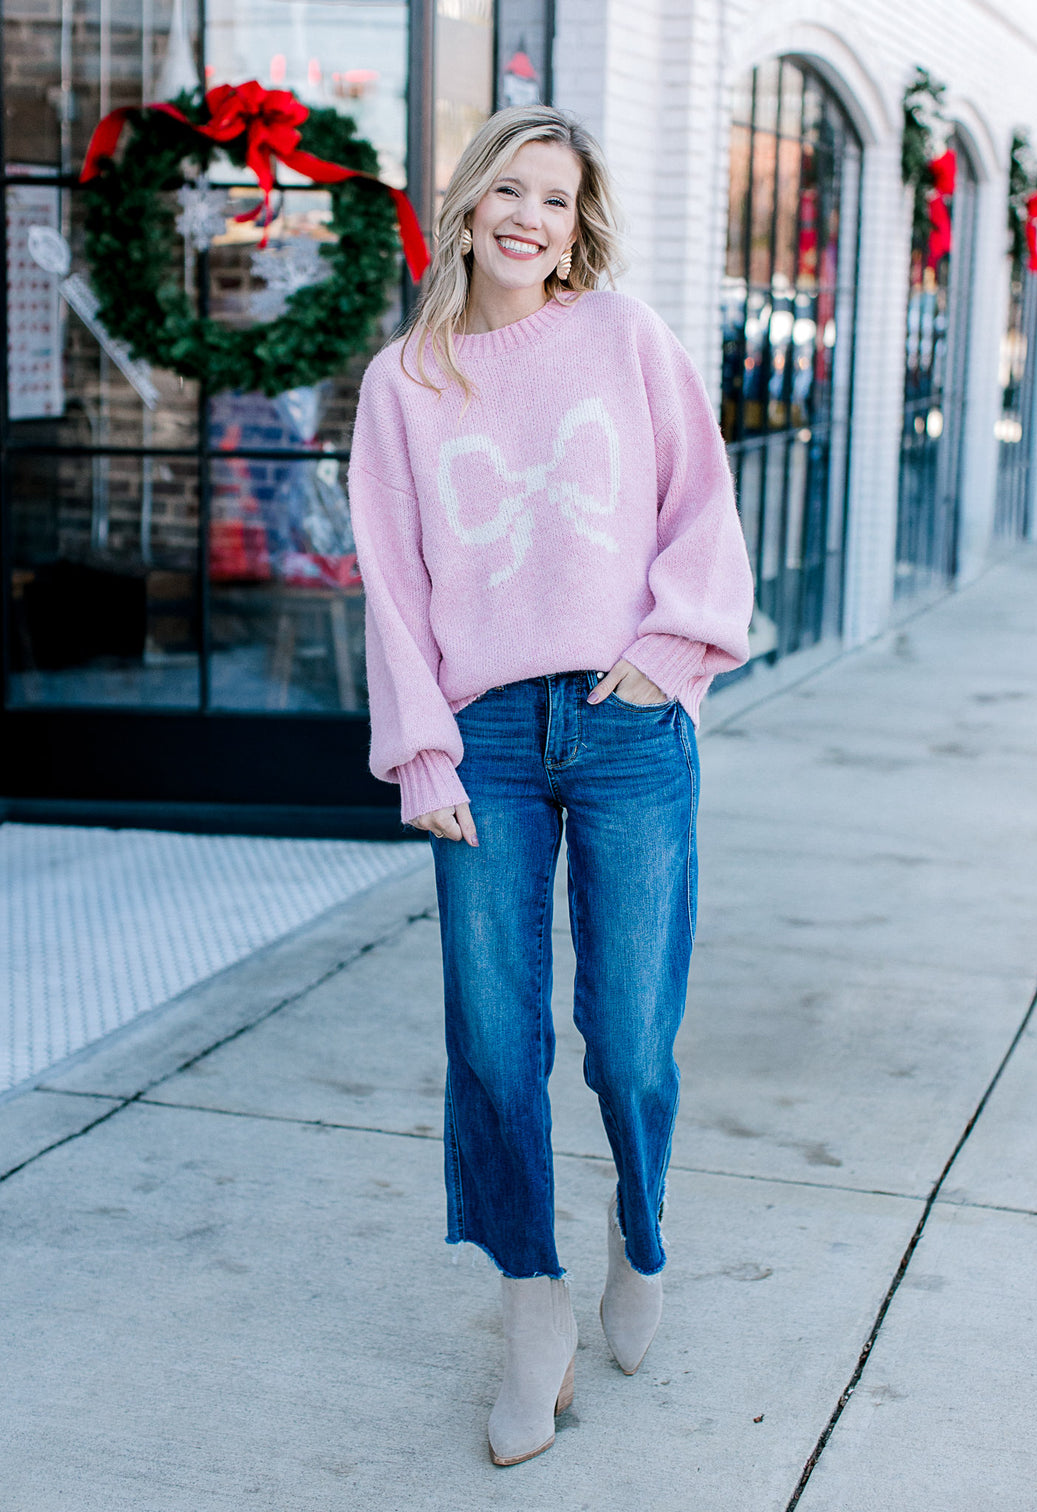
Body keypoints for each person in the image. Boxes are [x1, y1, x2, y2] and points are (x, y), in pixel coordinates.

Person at [347, 103, 754, 1466]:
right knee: (493, 1038)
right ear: (466, 202)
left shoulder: (624, 337)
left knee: (631, 1039)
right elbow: (393, 580)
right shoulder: (404, 382)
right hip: (487, 743)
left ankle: (641, 1231)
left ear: (580, 223)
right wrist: (421, 748)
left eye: (558, 200)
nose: (530, 217)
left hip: (629, 722)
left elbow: (702, 507)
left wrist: (665, 653)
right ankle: (532, 1303)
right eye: (510, 190)